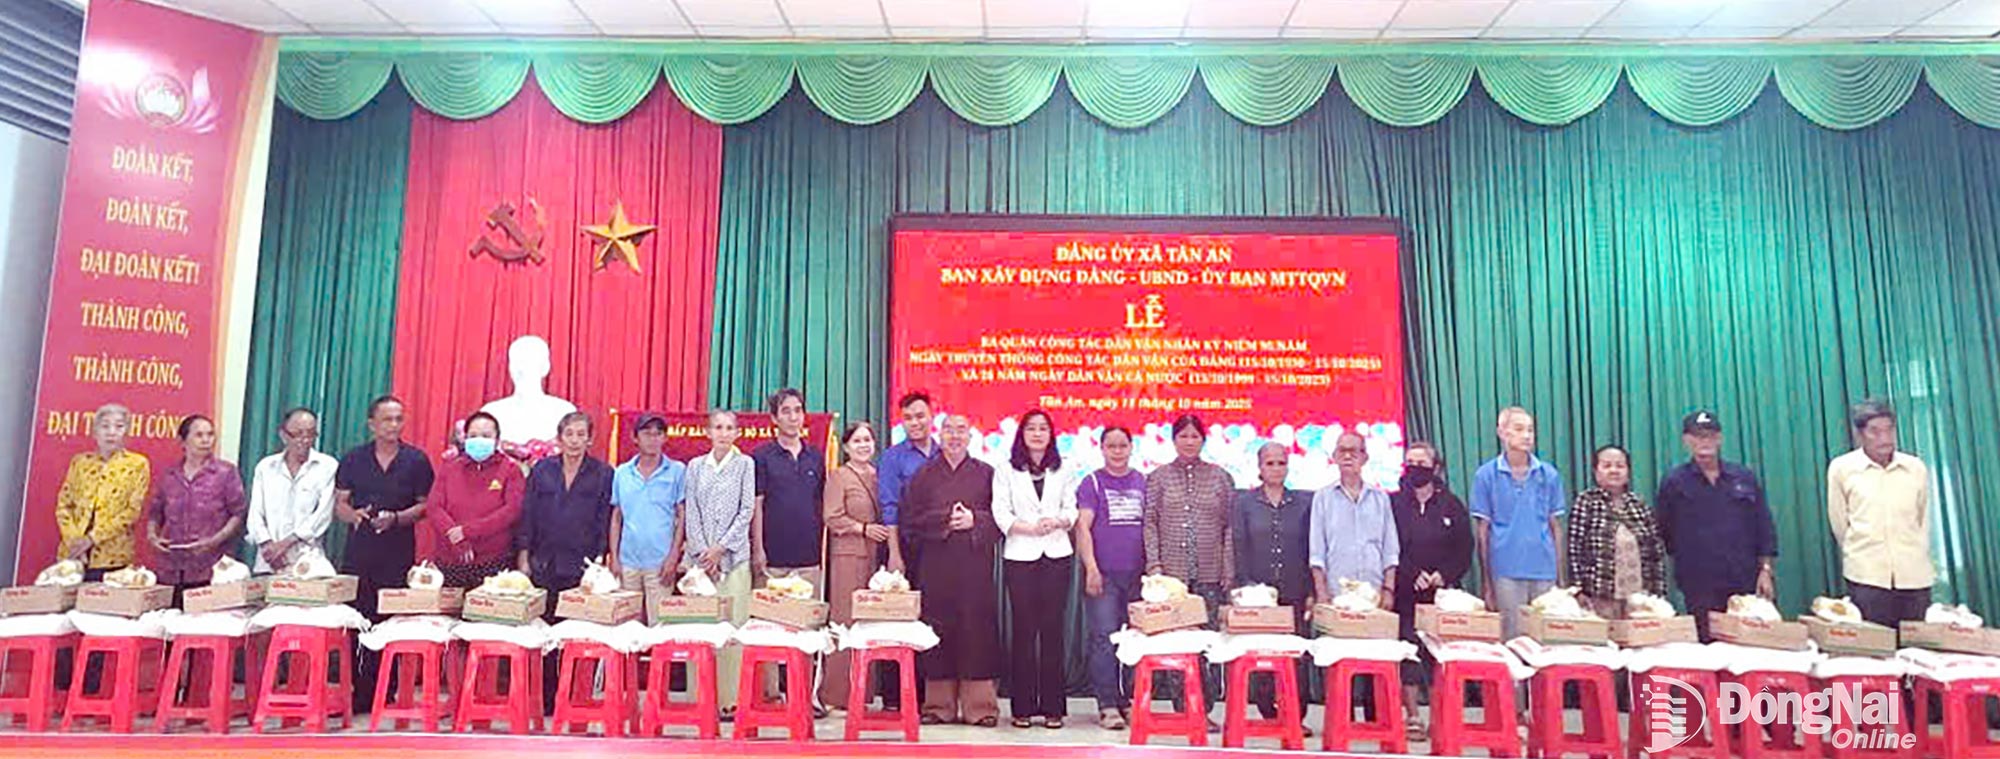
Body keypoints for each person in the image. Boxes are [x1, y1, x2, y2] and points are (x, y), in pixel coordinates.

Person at [334, 395, 436, 713]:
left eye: (398, 419)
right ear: (372, 424)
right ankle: (358, 689)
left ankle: (384, 688)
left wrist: (396, 518)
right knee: (358, 620)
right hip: (359, 552)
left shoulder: (416, 460)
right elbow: (340, 504)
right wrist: (354, 516)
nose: (393, 425)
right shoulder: (353, 459)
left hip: (397, 551)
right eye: (387, 419)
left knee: (388, 620)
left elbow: (425, 506)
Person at [903, 414, 1002, 727]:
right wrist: (946, 518)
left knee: (977, 632)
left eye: (961, 430)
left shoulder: (987, 474)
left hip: (976, 568)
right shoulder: (924, 475)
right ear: (939, 434)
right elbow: (911, 520)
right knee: (938, 630)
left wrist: (976, 520)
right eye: (949, 430)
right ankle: (938, 706)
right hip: (936, 566)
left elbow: (1002, 518)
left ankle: (981, 707)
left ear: (971, 437)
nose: (955, 436)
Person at [1655, 410, 1778, 642]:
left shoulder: (1743, 477)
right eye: (1698, 436)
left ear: (1720, 438)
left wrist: (1766, 570)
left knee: (1748, 645)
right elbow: (1665, 531)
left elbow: (1763, 525)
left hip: (1744, 579)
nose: (1705, 442)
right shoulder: (1674, 482)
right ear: (1686, 441)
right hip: (1699, 583)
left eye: (1710, 436)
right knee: (1707, 646)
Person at [992, 409, 1079, 729]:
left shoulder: (1065, 468)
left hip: (1057, 554)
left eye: (1044, 428)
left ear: (1051, 434)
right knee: (1025, 631)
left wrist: (1058, 521)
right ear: (1022, 434)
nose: (1038, 433)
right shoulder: (1006, 469)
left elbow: (1071, 508)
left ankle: (1054, 707)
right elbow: (1000, 511)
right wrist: (1028, 529)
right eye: (1032, 428)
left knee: (1053, 630)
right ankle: (1023, 707)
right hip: (1021, 555)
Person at [1143, 414, 1233, 719]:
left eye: (1195, 436)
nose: (1189, 441)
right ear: (1174, 440)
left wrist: (1227, 570)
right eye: (1183, 436)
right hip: (1171, 578)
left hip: (1209, 572)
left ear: (1203, 440)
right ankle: (1183, 709)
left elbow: (1229, 528)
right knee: (1175, 644)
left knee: (1205, 642)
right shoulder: (1158, 477)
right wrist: (1154, 566)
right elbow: (1150, 524)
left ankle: (1203, 710)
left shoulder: (1220, 477)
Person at [1827, 399, 1933, 627]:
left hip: (1914, 575)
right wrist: (1860, 554)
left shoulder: (1915, 468)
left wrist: (1917, 551)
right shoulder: (1842, 469)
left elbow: (1922, 518)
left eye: (1889, 430)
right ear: (1859, 435)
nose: (1884, 438)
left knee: (1916, 650)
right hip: (1867, 577)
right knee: (1876, 651)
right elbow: (1839, 523)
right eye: (1875, 431)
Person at [1390, 441, 1471, 742]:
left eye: (1422, 463)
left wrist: (1443, 575)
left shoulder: (1452, 504)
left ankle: (1441, 714)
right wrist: (1412, 573)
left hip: (1443, 593)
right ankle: (1412, 716)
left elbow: (1465, 548)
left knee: (1440, 656)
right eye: (1410, 462)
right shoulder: (1394, 503)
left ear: (1436, 468)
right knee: (1408, 653)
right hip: (1407, 591)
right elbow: (1389, 545)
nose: (1415, 468)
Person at [819, 421, 900, 708]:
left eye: (868, 440)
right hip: (848, 558)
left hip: (876, 561)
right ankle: (837, 694)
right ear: (845, 447)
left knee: (870, 625)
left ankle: (864, 693)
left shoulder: (880, 476)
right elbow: (831, 517)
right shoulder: (839, 476)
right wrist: (861, 528)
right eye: (857, 441)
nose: (863, 445)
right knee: (846, 623)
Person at [1232, 442, 1313, 727]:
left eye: (1281, 463)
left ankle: (1295, 716)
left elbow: (1310, 549)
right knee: (1262, 656)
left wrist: (1312, 592)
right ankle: (1269, 712)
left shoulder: (1305, 503)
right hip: (1258, 594)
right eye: (1270, 463)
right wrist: (1244, 588)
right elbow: (1239, 546)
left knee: (1295, 657)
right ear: (1259, 467)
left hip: (1295, 591)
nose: (1276, 469)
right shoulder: (1244, 503)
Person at [681, 410, 757, 714]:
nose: (724, 433)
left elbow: (747, 510)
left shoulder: (745, 465)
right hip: (700, 565)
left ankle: (732, 700)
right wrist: (704, 553)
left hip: (734, 560)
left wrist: (721, 549)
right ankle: (701, 698)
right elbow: (691, 510)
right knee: (701, 628)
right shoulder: (695, 467)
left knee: (733, 628)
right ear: (708, 432)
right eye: (718, 428)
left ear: (737, 433)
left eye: (729, 428)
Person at [1471, 407, 1567, 640]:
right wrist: (1487, 582)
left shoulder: (1548, 474)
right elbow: (1483, 532)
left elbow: (1556, 527)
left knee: (1545, 639)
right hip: (1506, 571)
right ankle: (1516, 679)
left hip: (1544, 570)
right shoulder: (1486, 475)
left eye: (1531, 430)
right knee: (1513, 638)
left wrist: (1561, 577)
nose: (1526, 435)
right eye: (1519, 429)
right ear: (1501, 433)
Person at [1077, 426, 1147, 730]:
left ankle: (1129, 701)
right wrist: (1091, 568)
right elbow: (1082, 528)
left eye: (1123, 445)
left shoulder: (1143, 481)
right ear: (1102, 449)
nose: (1117, 451)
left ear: (1131, 448)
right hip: (1104, 575)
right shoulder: (1092, 482)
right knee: (1104, 640)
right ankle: (1107, 705)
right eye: (1111, 446)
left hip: (1138, 577)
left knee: (1135, 641)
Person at [875, 391, 938, 709]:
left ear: (932, 417)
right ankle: (894, 696)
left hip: (940, 551)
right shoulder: (893, 457)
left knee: (932, 618)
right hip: (905, 546)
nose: (915, 423)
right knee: (898, 618)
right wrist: (894, 553)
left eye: (920, 416)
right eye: (909, 418)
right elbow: (889, 508)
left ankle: (930, 696)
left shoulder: (944, 455)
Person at [515, 411, 615, 600]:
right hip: (543, 561)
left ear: (589, 439)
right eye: (569, 434)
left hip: (583, 565)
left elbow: (605, 519)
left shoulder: (603, 473)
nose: (574, 441)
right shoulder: (542, 469)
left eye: (580, 434)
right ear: (559, 439)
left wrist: (602, 558)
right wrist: (523, 555)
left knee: (576, 624)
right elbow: (528, 514)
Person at [144, 415, 245, 599]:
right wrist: (153, 537)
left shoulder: (225, 472)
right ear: (183, 441)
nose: (206, 440)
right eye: (199, 435)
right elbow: (155, 513)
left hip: (212, 568)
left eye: (210, 435)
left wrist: (213, 541)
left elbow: (238, 514)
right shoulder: (170, 475)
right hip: (171, 568)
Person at [423, 411, 524, 588]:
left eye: (486, 436)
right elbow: (434, 506)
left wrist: (468, 531)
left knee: (486, 613)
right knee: (446, 614)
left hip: (493, 561)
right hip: (449, 560)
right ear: (465, 439)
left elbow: (512, 510)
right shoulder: (450, 468)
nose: (479, 440)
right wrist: (455, 536)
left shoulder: (510, 470)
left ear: (497, 440)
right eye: (473, 435)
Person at [1566, 445, 1666, 620]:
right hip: (1599, 596)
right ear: (1596, 472)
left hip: (1640, 599)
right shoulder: (1587, 502)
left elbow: (1655, 552)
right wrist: (1578, 588)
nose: (1614, 470)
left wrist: (1657, 594)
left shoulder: (1639, 504)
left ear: (1628, 472)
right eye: (1607, 466)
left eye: (1620, 466)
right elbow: (1575, 549)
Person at [55, 403, 150, 578]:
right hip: (73, 555)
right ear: (95, 432)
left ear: (127, 432)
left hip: (113, 557)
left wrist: (91, 539)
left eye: (119, 426)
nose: (111, 432)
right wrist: (75, 542)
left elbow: (131, 512)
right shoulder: (80, 462)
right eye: (105, 426)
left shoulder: (137, 464)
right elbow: (64, 505)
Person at [609, 413, 686, 621]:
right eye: (647, 433)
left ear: (665, 438)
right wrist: (614, 558)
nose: (653, 439)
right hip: (628, 562)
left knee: (658, 626)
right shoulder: (622, 473)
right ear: (635, 438)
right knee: (627, 627)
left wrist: (673, 557)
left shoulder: (677, 471)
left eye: (658, 434)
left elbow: (682, 517)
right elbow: (616, 518)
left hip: (660, 564)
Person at [1310, 432, 1399, 607]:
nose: (1347, 456)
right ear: (1334, 457)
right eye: (1342, 451)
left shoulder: (1380, 498)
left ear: (1365, 457)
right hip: (1336, 596)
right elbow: (1317, 554)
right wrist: (1321, 594)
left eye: (1354, 451)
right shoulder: (1322, 498)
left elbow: (1390, 551)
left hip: (1374, 595)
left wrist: (1388, 591)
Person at [246, 407, 338, 573]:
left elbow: (323, 514)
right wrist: (268, 546)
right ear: (283, 434)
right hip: (269, 561)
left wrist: (287, 543)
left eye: (311, 434)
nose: (304, 440)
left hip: (309, 563)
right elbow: (255, 513)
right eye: (297, 434)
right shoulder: (266, 467)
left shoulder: (327, 466)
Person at [752, 388, 825, 587]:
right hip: (773, 560)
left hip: (809, 560)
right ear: (774, 418)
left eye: (798, 410)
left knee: (809, 616)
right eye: (786, 411)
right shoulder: (761, 457)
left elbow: (820, 504)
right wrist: (758, 550)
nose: (793, 417)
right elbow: (756, 505)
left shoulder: (816, 457)